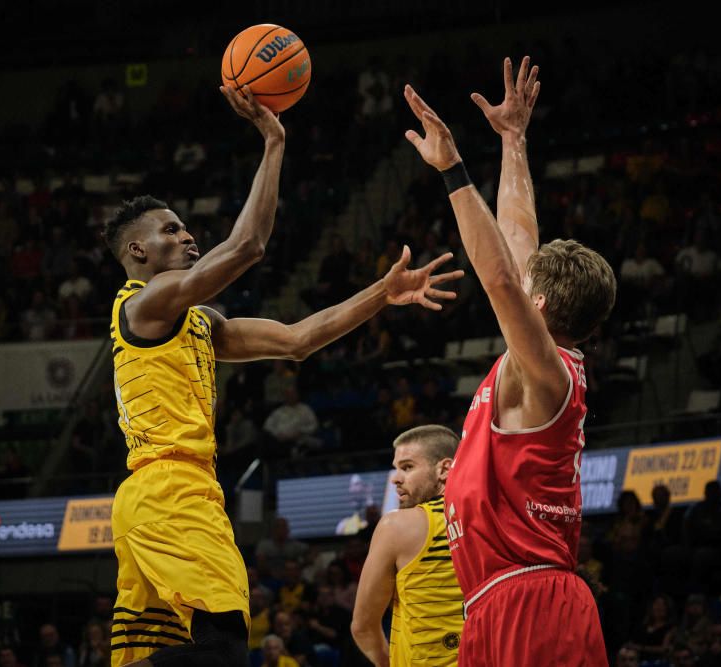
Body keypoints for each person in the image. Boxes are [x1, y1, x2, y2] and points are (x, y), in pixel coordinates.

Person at [104, 86, 462, 667]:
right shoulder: (145, 302)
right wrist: (274, 143)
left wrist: (383, 293)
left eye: (184, 227)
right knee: (221, 652)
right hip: (170, 492)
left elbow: (297, 341)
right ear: (137, 251)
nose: (187, 235)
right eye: (170, 231)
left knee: (176, 652)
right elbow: (248, 245)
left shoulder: (195, 320)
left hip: (159, 495)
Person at [403, 56, 615, 666]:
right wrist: (512, 139)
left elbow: (498, 274)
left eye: (530, 287)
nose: (522, 282)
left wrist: (451, 171)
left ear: (539, 303)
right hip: (494, 602)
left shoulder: (547, 374)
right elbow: (518, 239)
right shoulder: (542, 362)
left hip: (533, 598)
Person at [351, 425, 464, 666]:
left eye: (407, 467)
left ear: (444, 469)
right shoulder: (490, 520)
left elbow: (362, 627)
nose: (395, 478)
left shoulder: (397, 526)